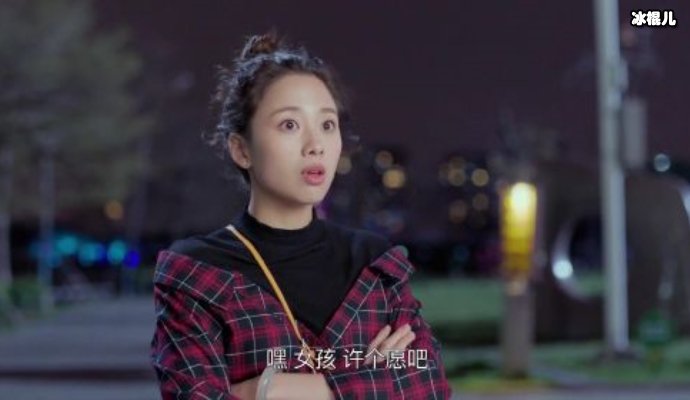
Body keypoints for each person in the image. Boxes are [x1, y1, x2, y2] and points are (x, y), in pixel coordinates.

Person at [150, 32, 451, 400]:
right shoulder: (198, 274)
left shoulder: (375, 264)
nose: (315, 145)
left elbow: (430, 386)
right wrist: (373, 382)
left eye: (327, 125)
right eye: (289, 125)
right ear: (241, 149)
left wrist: (268, 389)